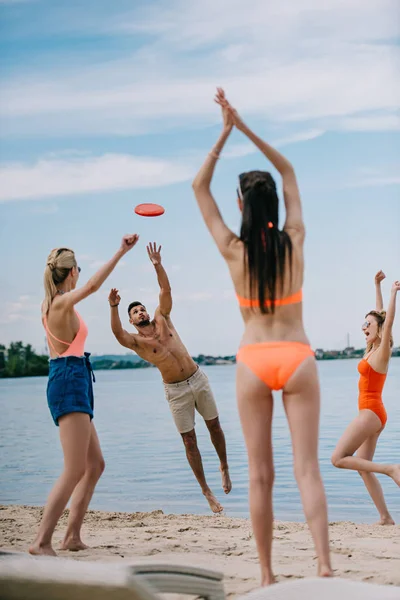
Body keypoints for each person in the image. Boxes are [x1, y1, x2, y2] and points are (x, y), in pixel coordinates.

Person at [191, 88, 332, 585]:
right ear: (274, 202)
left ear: (241, 205)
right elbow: (290, 171)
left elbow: (198, 189)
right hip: (296, 356)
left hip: (252, 359)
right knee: (307, 470)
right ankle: (324, 565)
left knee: (259, 476)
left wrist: (224, 133)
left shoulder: (234, 249)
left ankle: (268, 575)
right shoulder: (293, 240)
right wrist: (247, 126)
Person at [29, 234, 139, 556]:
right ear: (72, 271)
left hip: (74, 377)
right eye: (78, 268)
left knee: (95, 464)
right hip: (68, 378)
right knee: (75, 467)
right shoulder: (60, 303)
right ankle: (41, 541)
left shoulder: (52, 303)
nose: (81, 272)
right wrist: (120, 251)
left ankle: (71, 537)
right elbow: (92, 287)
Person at [108, 242, 231, 513]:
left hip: (197, 379)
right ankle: (206, 491)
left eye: (141, 308)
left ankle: (223, 465)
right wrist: (114, 307)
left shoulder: (163, 318)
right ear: (131, 320)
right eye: (135, 312)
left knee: (215, 427)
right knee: (189, 440)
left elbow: (165, 290)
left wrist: (157, 264)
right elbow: (118, 335)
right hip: (175, 390)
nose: (140, 312)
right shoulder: (137, 342)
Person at [331, 272, 400, 524]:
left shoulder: (382, 352)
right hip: (374, 413)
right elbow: (380, 314)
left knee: (338, 458)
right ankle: (385, 517)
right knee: (361, 466)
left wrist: (394, 293)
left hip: (370, 412)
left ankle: (391, 469)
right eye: (363, 324)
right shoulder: (372, 349)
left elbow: (388, 320)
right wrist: (378, 285)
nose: (363, 328)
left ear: (379, 330)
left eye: (367, 325)